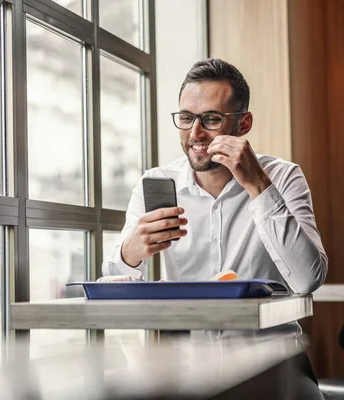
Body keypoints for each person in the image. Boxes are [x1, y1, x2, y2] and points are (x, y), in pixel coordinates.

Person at [102, 58, 328, 398]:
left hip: (274, 365)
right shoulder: (156, 182)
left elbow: (308, 278)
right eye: (186, 118)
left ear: (244, 123)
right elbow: (115, 281)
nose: (195, 133)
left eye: (211, 118)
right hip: (187, 373)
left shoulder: (282, 176)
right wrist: (131, 251)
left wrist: (258, 186)